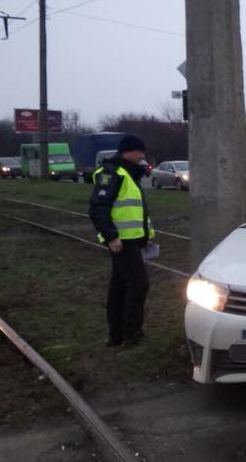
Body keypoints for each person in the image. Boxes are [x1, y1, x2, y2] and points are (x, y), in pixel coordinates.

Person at [88, 134, 155, 347]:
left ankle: (116, 335)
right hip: (121, 241)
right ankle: (131, 334)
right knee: (138, 284)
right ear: (128, 151)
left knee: (119, 286)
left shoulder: (128, 173)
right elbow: (98, 208)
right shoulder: (112, 174)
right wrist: (111, 236)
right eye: (139, 151)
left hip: (131, 240)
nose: (142, 155)